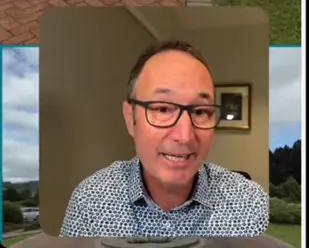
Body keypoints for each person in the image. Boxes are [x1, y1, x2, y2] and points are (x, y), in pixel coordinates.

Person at [60, 40, 269, 238]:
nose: (184, 136)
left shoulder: (251, 206)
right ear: (130, 118)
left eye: (200, 111)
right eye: (162, 108)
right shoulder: (89, 203)